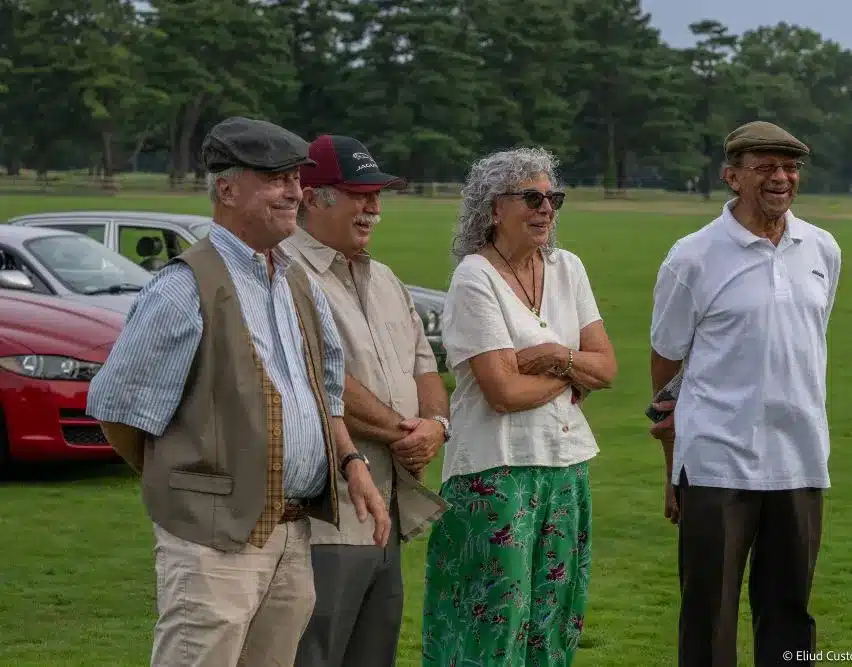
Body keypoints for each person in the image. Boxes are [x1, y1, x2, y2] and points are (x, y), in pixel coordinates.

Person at [85, 116, 391, 667]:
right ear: (226, 189)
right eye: (275, 179)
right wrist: (192, 487)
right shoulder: (185, 286)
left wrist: (351, 462)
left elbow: (324, 395)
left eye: (295, 178)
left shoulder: (295, 280)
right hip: (211, 543)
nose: (294, 192)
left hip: (292, 535)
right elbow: (119, 412)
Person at [648, 120, 842, 667]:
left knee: (790, 613)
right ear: (732, 176)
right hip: (716, 462)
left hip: (800, 459)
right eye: (765, 168)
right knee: (709, 616)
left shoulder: (822, 249)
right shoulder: (692, 257)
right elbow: (667, 362)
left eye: (790, 167)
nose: (781, 178)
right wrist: (674, 463)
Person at [421, 147, 618, 667]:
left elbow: (607, 368)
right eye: (532, 198)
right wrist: (572, 373)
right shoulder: (475, 277)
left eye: (554, 198)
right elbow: (503, 394)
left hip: (566, 466)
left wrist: (551, 357)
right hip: (495, 471)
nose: (547, 208)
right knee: (490, 622)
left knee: (554, 618)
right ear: (493, 208)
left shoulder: (567, 268)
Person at [283, 134, 450, 667]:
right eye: (360, 194)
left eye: (377, 195)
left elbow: (426, 366)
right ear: (313, 197)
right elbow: (323, 381)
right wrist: (408, 434)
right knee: (314, 654)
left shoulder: (385, 278)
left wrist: (437, 425)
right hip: (326, 515)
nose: (374, 208)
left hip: (387, 510)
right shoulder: (285, 274)